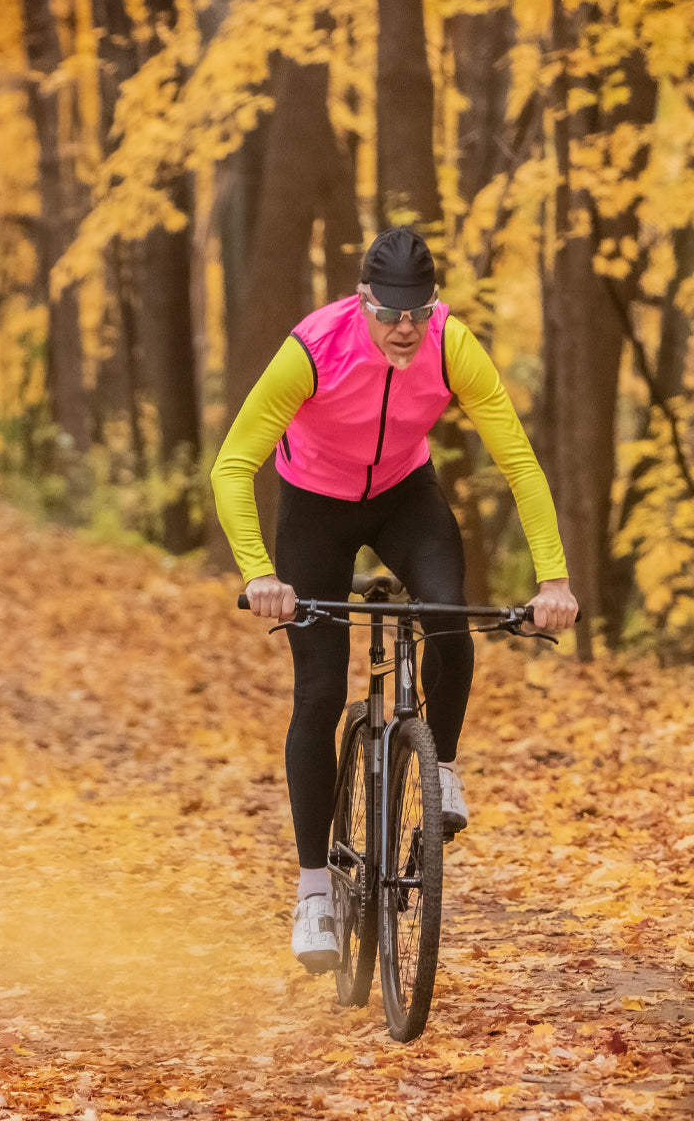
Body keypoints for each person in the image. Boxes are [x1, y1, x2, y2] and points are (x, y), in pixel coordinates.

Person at [211, 226, 578, 973]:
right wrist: (259, 575)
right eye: (390, 314)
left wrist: (553, 581)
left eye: (418, 311)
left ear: (433, 304)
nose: (404, 329)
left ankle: (438, 765)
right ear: (363, 300)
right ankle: (315, 891)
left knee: (446, 614)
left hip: (405, 494)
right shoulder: (315, 347)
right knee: (318, 691)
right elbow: (233, 464)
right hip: (315, 502)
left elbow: (519, 461)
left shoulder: (451, 345)